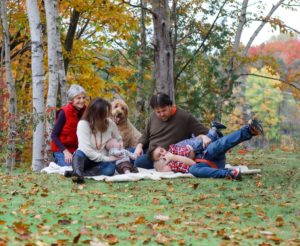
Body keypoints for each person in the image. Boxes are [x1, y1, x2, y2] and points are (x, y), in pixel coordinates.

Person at [150, 119, 264, 181]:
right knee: (194, 169)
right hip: (208, 165)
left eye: (161, 151)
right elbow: (192, 163)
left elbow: (192, 149)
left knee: (218, 145)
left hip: (206, 155)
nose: (163, 155)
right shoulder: (169, 166)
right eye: (159, 157)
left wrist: (175, 156)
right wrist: (169, 161)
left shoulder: (174, 148)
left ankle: (249, 130)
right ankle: (230, 173)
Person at [134, 93, 209, 169]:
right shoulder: (152, 116)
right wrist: (139, 146)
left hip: (164, 156)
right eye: (158, 112)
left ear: (170, 105)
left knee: (138, 162)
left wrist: (203, 136)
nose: (162, 114)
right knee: (127, 153)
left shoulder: (184, 116)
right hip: (149, 151)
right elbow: (145, 136)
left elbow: (203, 132)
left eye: (164, 110)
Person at [66, 98, 122, 183]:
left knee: (110, 169)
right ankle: (77, 172)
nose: (107, 117)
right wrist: (107, 158)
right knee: (79, 153)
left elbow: (119, 138)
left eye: (107, 113)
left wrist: (117, 149)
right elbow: (86, 150)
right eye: (104, 114)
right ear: (95, 114)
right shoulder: (83, 124)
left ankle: (78, 174)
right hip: (86, 158)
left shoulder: (110, 123)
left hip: (101, 161)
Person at [51, 84, 86, 166]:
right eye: (78, 98)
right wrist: (65, 152)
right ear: (71, 100)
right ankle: (57, 161)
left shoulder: (86, 111)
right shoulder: (64, 112)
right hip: (61, 149)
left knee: (83, 167)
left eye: (83, 98)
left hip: (77, 149)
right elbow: (54, 135)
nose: (82, 100)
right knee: (71, 168)